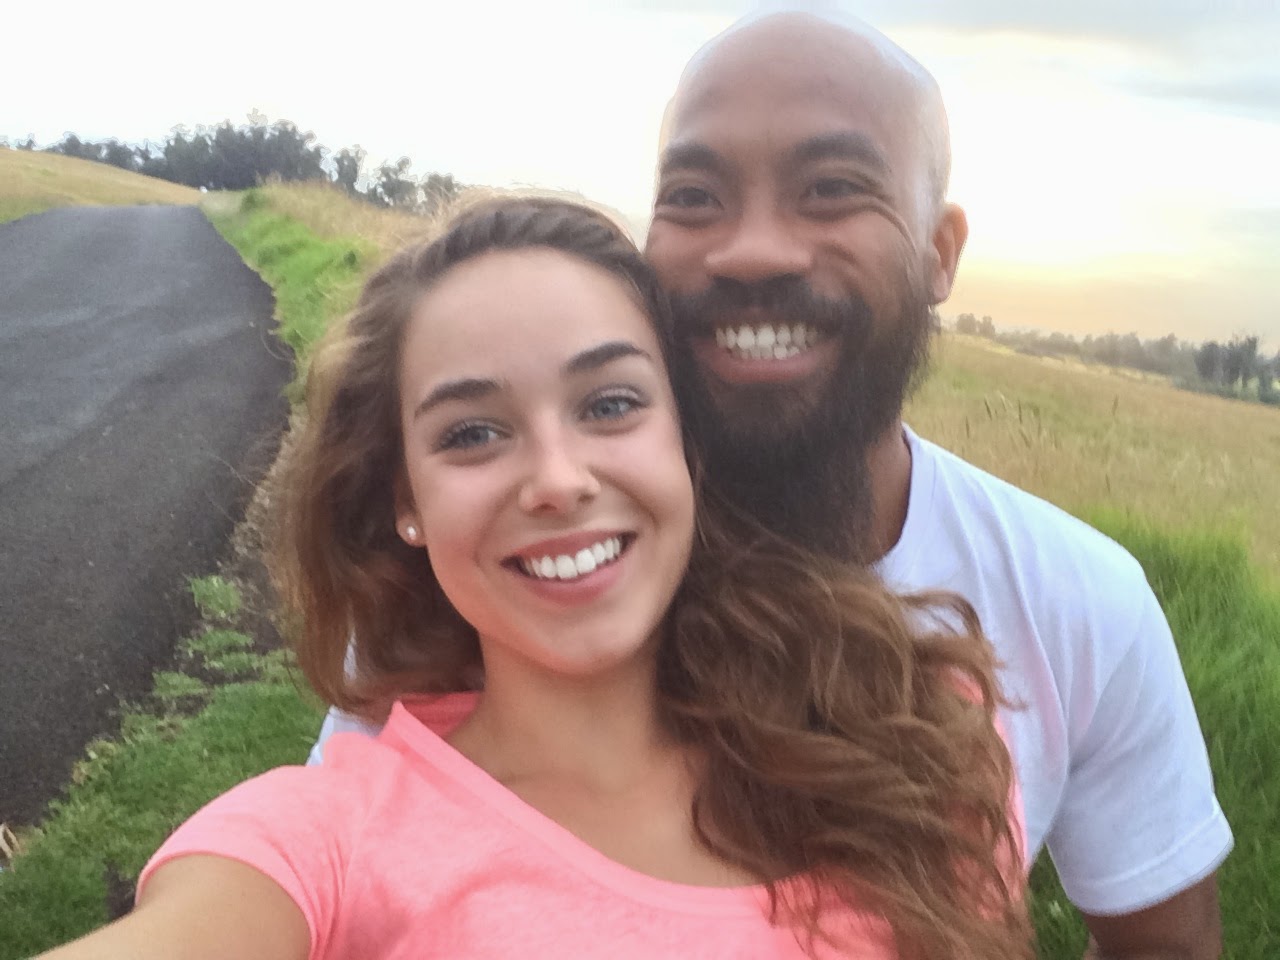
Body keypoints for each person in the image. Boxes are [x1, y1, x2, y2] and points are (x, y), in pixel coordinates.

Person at [40, 197, 1031, 959]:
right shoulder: (326, 842)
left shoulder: (909, 736)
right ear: (406, 499)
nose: (558, 480)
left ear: (687, 446)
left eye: (609, 404)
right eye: (473, 432)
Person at [642, 8, 1232, 960]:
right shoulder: (535, 560)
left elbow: (1163, 944)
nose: (751, 249)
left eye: (832, 190)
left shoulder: (1078, 602)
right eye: (695, 196)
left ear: (940, 252)